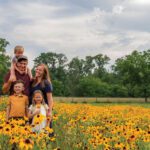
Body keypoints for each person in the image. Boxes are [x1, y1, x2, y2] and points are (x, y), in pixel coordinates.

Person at [30, 64, 53, 129]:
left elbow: (50, 99)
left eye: (40, 70)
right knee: (34, 128)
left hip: (44, 109)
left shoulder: (46, 83)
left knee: (44, 128)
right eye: (37, 69)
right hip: (34, 108)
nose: (37, 71)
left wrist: (50, 111)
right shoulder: (34, 82)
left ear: (44, 72)